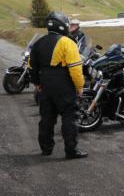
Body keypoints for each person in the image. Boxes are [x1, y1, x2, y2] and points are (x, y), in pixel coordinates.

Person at [29, 11, 88, 159]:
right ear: (63, 25)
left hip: (45, 83)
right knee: (69, 117)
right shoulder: (67, 42)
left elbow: (32, 66)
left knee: (46, 118)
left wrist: (37, 83)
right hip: (63, 83)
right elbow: (75, 68)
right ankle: (71, 151)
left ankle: (46, 149)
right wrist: (80, 86)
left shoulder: (39, 42)